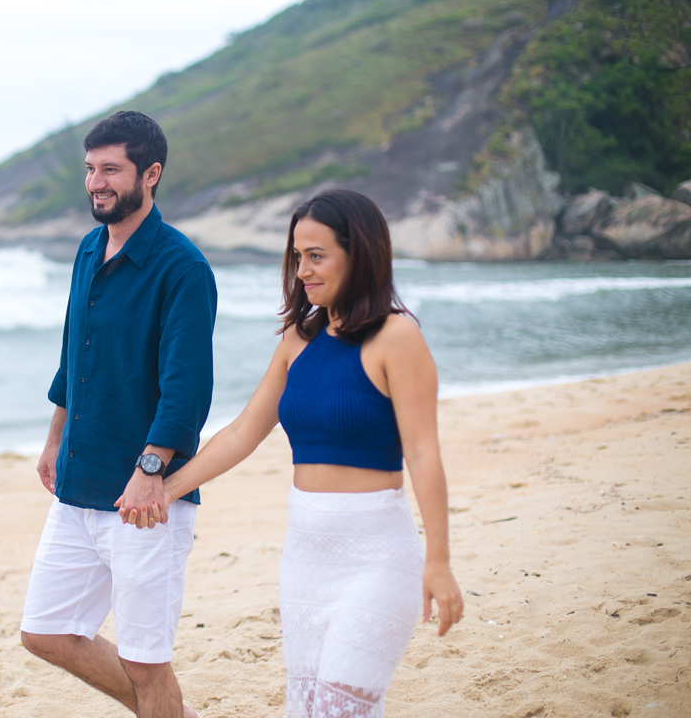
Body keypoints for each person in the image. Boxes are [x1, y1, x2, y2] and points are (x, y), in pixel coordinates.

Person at [126, 189, 463, 718]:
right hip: (305, 562)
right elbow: (242, 433)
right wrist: (165, 489)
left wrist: (439, 562)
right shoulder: (297, 339)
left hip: (376, 559)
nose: (302, 269)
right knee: (305, 708)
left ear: (360, 254)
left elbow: (422, 454)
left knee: (338, 710)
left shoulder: (397, 337)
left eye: (317, 255)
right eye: (297, 256)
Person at [19, 110, 217, 718]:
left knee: (145, 660)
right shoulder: (86, 249)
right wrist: (55, 439)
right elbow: (72, 355)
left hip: (144, 499)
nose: (96, 182)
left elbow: (187, 391)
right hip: (79, 482)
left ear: (150, 174)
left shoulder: (183, 269)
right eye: (89, 169)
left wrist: (151, 468)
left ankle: (160, 707)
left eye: (110, 169)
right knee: (45, 631)